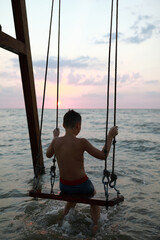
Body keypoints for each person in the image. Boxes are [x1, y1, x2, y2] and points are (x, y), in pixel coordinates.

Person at [46, 110, 118, 233]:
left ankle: (62, 218)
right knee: (93, 196)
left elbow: (48, 155)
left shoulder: (56, 141)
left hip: (64, 186)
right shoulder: (82, 142)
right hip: (82, 186)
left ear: (63, 125)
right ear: (78, 126)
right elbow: (102, 155)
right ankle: (95, 224)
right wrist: (110, 136)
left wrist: (55, 137)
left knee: (72, 196)